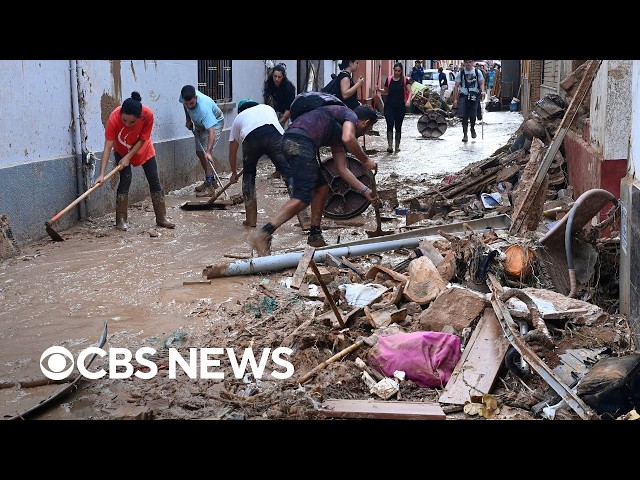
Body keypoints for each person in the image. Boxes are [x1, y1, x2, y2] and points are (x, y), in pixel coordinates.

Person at [248, 104, 379, 255]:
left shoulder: (338, 129)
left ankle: (315, 235)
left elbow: (341, 169)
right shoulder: (350, 115)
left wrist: (365, 191)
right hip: (300, 142)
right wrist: (365, 160)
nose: (364, 134)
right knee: (303, 197)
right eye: (367, 130)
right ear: (366, 122)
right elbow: (349, 138)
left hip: (292, 140)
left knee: (321, 187)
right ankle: (263, 233)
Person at [93, 91, 175, 231]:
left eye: (132, 122)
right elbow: (107, 146)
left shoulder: (148, 115)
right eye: (124, 120)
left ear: (140, 117)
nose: (128, 124)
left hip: (144, 149)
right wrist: (101, 174)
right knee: (125, 180)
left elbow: (144, 139)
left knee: (154, 179)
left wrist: (129, 157)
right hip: (121, 150)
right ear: (120, 114)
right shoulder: (113, 118)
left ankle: (161, 218)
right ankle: (120, 220)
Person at [228, 99, 294, 228]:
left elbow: (232, 152)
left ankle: (251, 220)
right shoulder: (267, 108)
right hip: (273, 136)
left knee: (248, 174)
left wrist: (234, 173)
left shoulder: (238, 118)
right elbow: (277, 130)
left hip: (250, 138)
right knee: (289, 174)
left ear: (240, 111)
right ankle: (305, 219)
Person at [179, 84, 225, 197]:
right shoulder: (184, 98)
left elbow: (212, 132)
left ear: (196, 98)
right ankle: (211, 181)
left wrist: (209, 152)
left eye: (192, 103)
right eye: (187, 103)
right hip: (200, 125)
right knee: (199, 153)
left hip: (215, 124)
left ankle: (210, 189)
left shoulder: (204, 110)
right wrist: (188, 119)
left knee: (205, 154)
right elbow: (185, 107)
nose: (189, 106)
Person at [377, 62, 411, 153]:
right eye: (395, 70)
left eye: (398, 71)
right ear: (393, 70)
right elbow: (385, 91)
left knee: (398, 126)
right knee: (389, 124)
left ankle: (397, 146)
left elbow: (410, 91)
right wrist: (378, 89)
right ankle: (390, 146)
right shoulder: (389, 80)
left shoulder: (404, 80)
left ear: (401, 71)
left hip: (400, 107)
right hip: (389, 106)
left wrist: (408, 100)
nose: (397, 72)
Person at [452, 59, 485, 142]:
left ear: (473, 63)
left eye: (470, 62)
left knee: (473, 115)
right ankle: (465, 134)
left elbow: (481, 83)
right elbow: (456, 86)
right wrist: (455, 99)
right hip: (464, 96)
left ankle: (472, 128)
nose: (468, 64)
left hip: (474, 96)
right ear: (464, 63)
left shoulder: (478, 72)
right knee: (464, 116)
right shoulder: (461, 73)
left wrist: (483, 91)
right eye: (467, 62)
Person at [263, 63, 296, 128]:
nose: (276, 79)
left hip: (286, 113)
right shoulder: (269, 83)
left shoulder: (289, 88)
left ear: (283, 77)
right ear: (272, 75)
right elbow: (266, 99)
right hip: (273, 111)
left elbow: (288, 109)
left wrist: (279, 122)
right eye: (275, 76)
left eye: (279, 77)